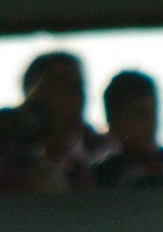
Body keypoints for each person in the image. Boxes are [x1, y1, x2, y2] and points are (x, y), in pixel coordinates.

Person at [9, 50, 106, 191]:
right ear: (34, 96)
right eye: (60, 86)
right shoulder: (10, 154)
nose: (73, 96)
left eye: (77, 86)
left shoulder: (103, 151)